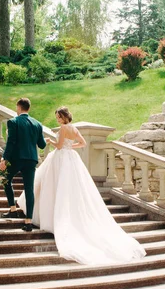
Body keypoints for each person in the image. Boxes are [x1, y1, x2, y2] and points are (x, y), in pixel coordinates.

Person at [17, 106, 146, 265]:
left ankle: (53, 218)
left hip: (61, 157)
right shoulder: (74, 128)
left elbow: (58, 146)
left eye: (58, 117)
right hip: (71, 156)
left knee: (56, 187)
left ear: (63, 117)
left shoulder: (64, 128)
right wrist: (71, 147)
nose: (57, 120)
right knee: (69, 188)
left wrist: (51, 141)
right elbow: (83, 143)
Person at [0, 98, 46, 232]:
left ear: (18, 107)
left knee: (5, 179)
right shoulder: (37, 124)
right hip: (31, 159)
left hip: (16, 159)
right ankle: (28, 222)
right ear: (29, 108)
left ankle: (12, 209)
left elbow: (11, 142)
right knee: (29, 189)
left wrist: (4, 159)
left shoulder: (13, 121)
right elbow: (42, 145)